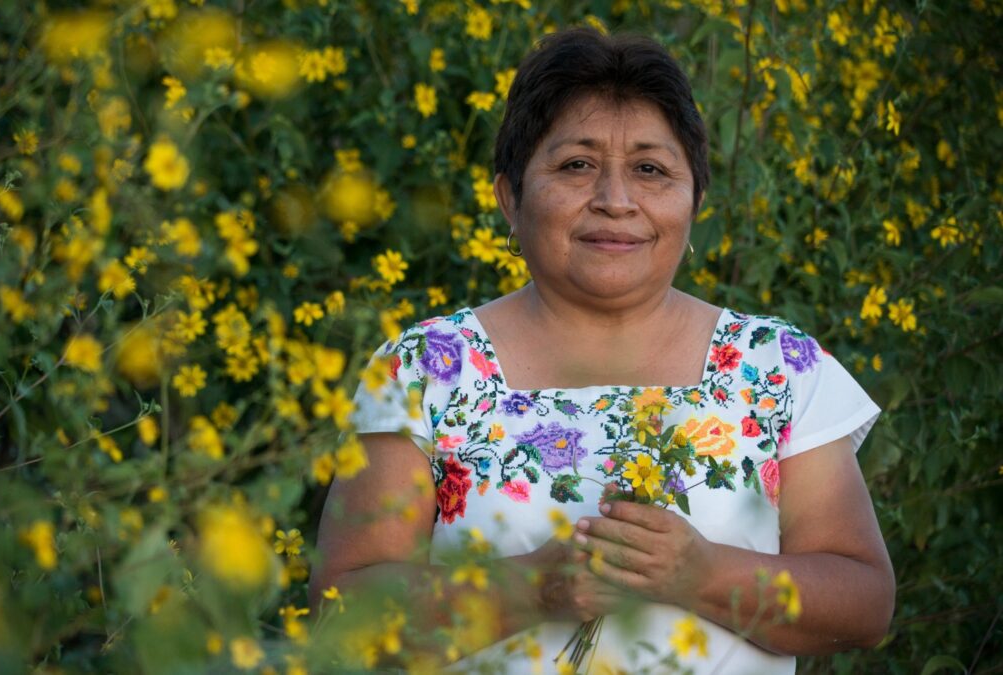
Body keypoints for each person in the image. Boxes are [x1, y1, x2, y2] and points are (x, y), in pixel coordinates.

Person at [311, 28, 895, 674]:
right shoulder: (424, 368)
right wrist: (533, 588)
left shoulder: (776, 366)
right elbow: (342, 612)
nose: (615, 201)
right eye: (576, 165)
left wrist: (701, 573)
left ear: (695, 201)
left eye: (650, 170)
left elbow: (864, 602)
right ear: (510, 197)